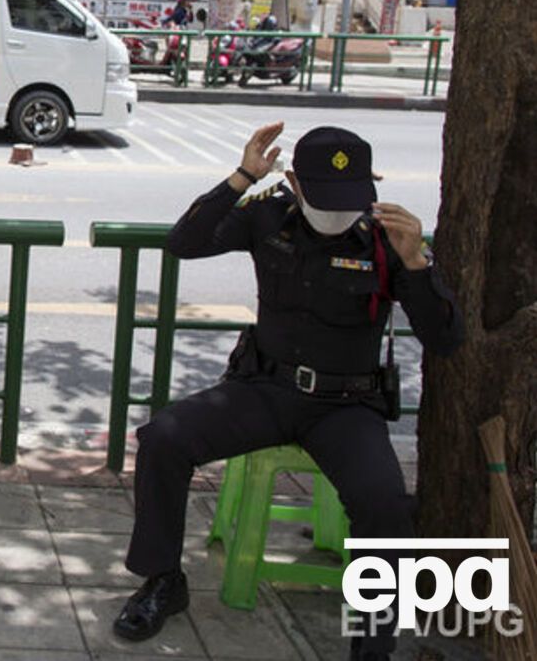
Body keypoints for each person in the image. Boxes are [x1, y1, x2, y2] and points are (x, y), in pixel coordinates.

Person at [113, 122, 462, 661]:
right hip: (265, 390)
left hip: (346, 407)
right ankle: (163, 581)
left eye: (350, 198)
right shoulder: (268, 215)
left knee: (385, 505)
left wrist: (417, 263)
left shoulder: (387, 238)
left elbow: (445, 340)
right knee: (164, 438)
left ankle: (374, 646)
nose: (336, 212)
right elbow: (184, 243)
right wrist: (243, 176)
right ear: (296, 185)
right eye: (323, 198)